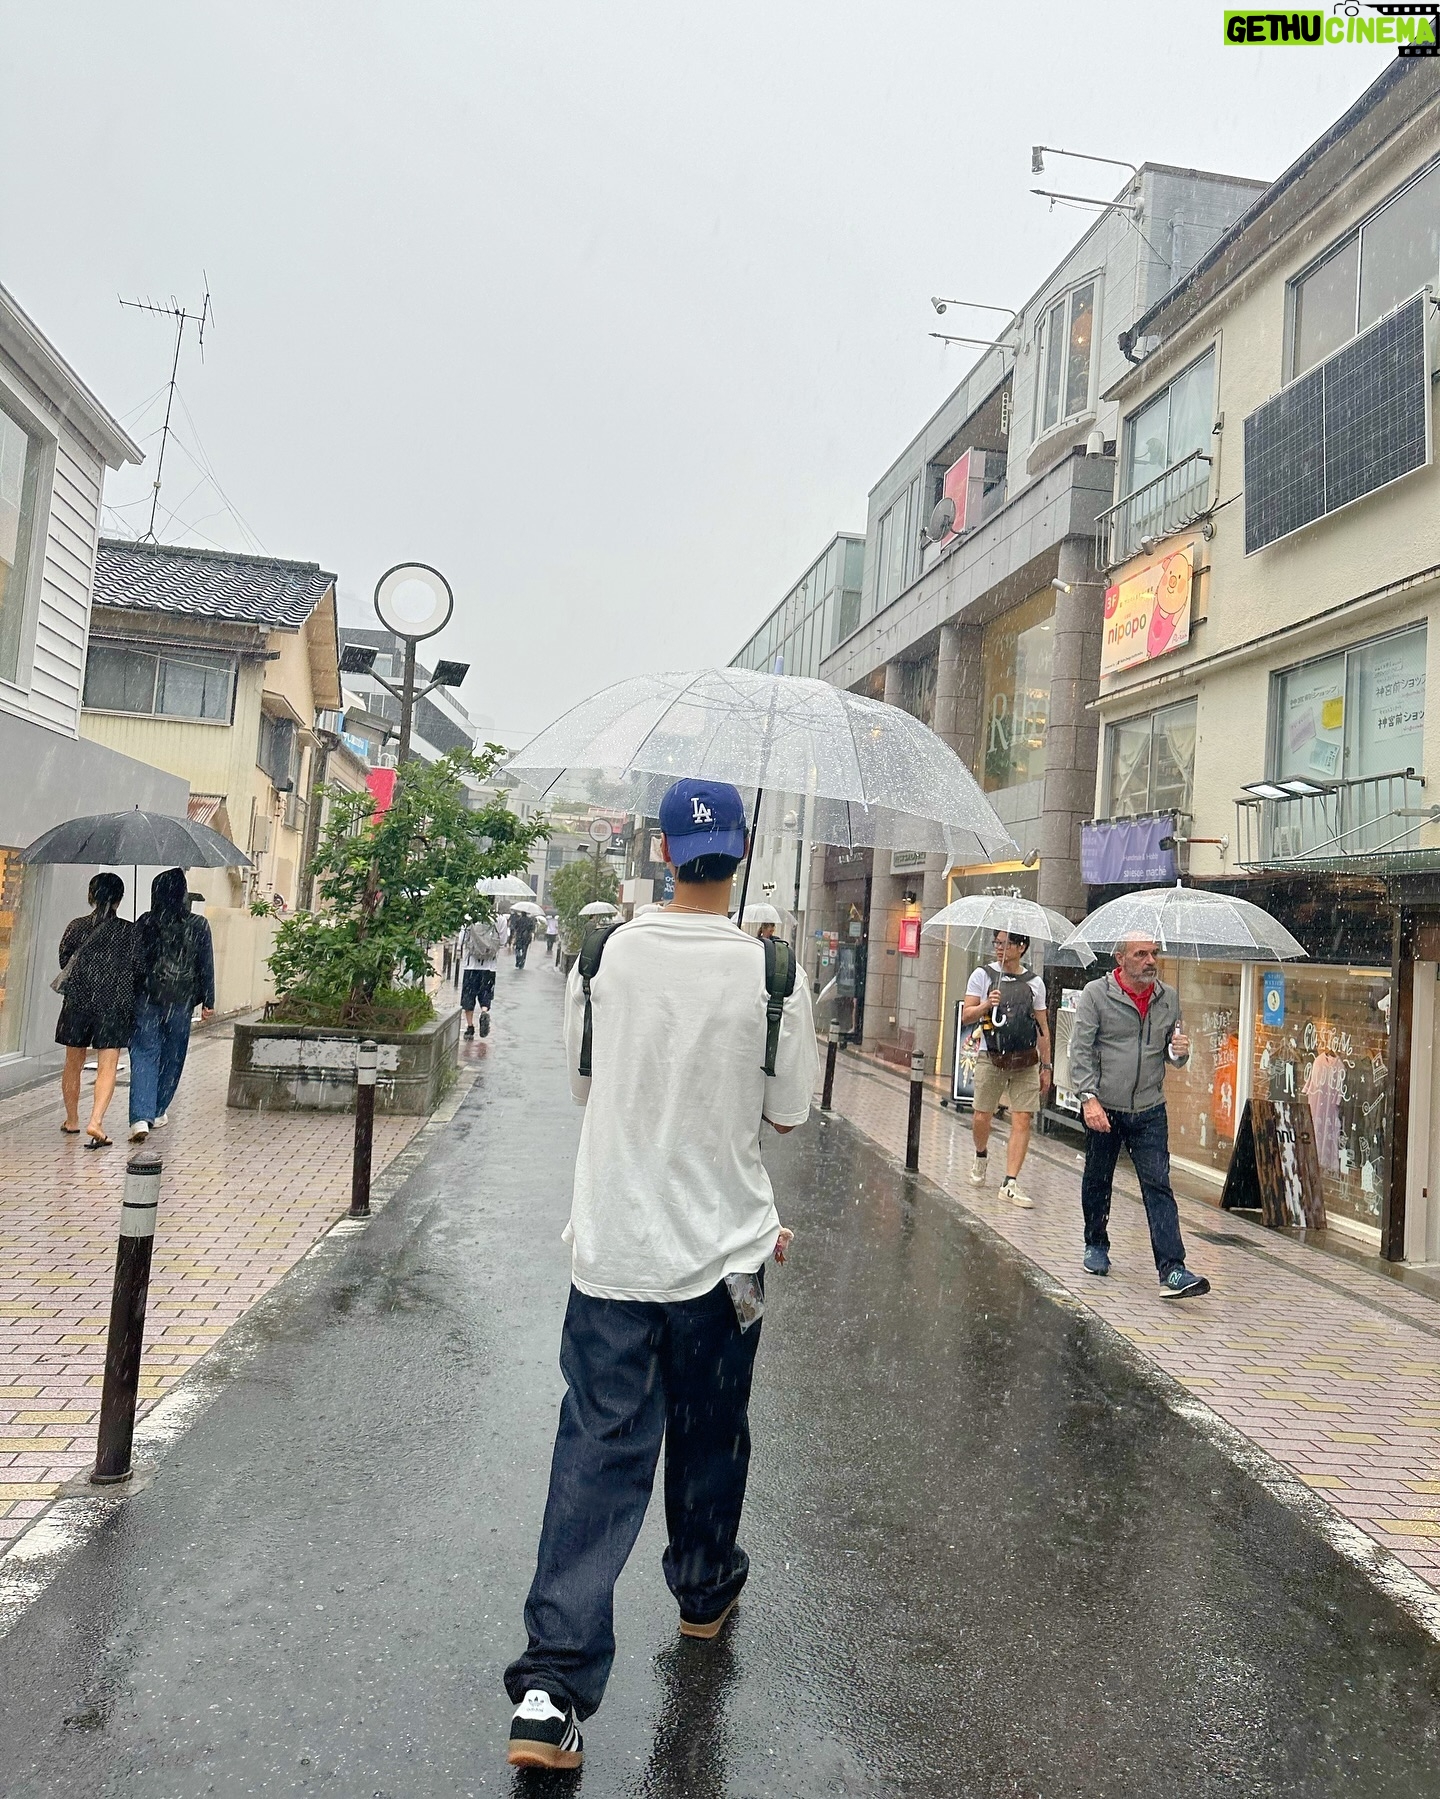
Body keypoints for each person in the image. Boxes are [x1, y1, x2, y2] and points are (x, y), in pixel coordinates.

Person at [505, 777, 817, 1772]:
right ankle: (703, 1587)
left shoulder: (603, 956)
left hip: (613, 1255)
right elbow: (789, 1115)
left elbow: (586, 1086)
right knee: (713, 1432)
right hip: (731, 1260)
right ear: (740, 854)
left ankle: (550, 1691)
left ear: (664, 851)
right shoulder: (773, 971)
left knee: (596, 1452)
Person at [1067, 935, 1210, 1299]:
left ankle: (1172, 1269)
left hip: (1149, 1108)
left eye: (1154, 954)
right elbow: (1080, 1050)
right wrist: (1088, 1098)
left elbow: (1173, 1056)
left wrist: (1179, 1052)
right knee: (1098, 1179)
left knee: (1158, 1185)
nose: (1150, 961)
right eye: (1141, 954)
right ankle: (1096, 1244)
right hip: (1105, 1106)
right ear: (1121, 958)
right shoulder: (1096, 994)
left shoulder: (1168, 998)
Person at [962, 930, 1052, 1208]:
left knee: (1022, 1117)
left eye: (1007, 943)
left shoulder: (1035, 983)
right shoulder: (982, 975)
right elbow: (966, 1015)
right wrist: (987, 1004)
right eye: (997, 943)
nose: (1000, 948)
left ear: (1022, 947)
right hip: (992, 1056)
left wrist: (1046, 1065)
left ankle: (1010, 1182)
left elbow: (1042, 1026)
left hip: (1025, 1059)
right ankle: (981, 1154)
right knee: (981, 1115)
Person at [128, 868, 215, 1143]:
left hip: (146, 998)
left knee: (144, 1054)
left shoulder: (145, 922)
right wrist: (209, 1000)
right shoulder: (198, 925)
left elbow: (135, 962)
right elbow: (205, 964)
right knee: (173, 1056)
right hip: (181, 999)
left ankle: (140, 1117)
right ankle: (157, 1110)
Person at [56, 872, 137, 1149]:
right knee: (107, 1065)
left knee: (73, 1062)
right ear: (119, 899)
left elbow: (64, 960)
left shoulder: (76, 926)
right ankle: (96, 1121)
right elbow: (139, 968)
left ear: (91, 896)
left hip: (78, 1002)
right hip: (114, 1003)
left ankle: (72, 1119)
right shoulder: (129, 931)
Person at [458, 914, 502, 1038]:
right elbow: (503, 941)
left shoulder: (468, 917)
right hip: (489, 966)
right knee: (486, 993)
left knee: (468, 997)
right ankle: (484, 1011)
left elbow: (461, 940)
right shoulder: (499, 919)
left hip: (471, 966)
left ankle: (470, 1027)